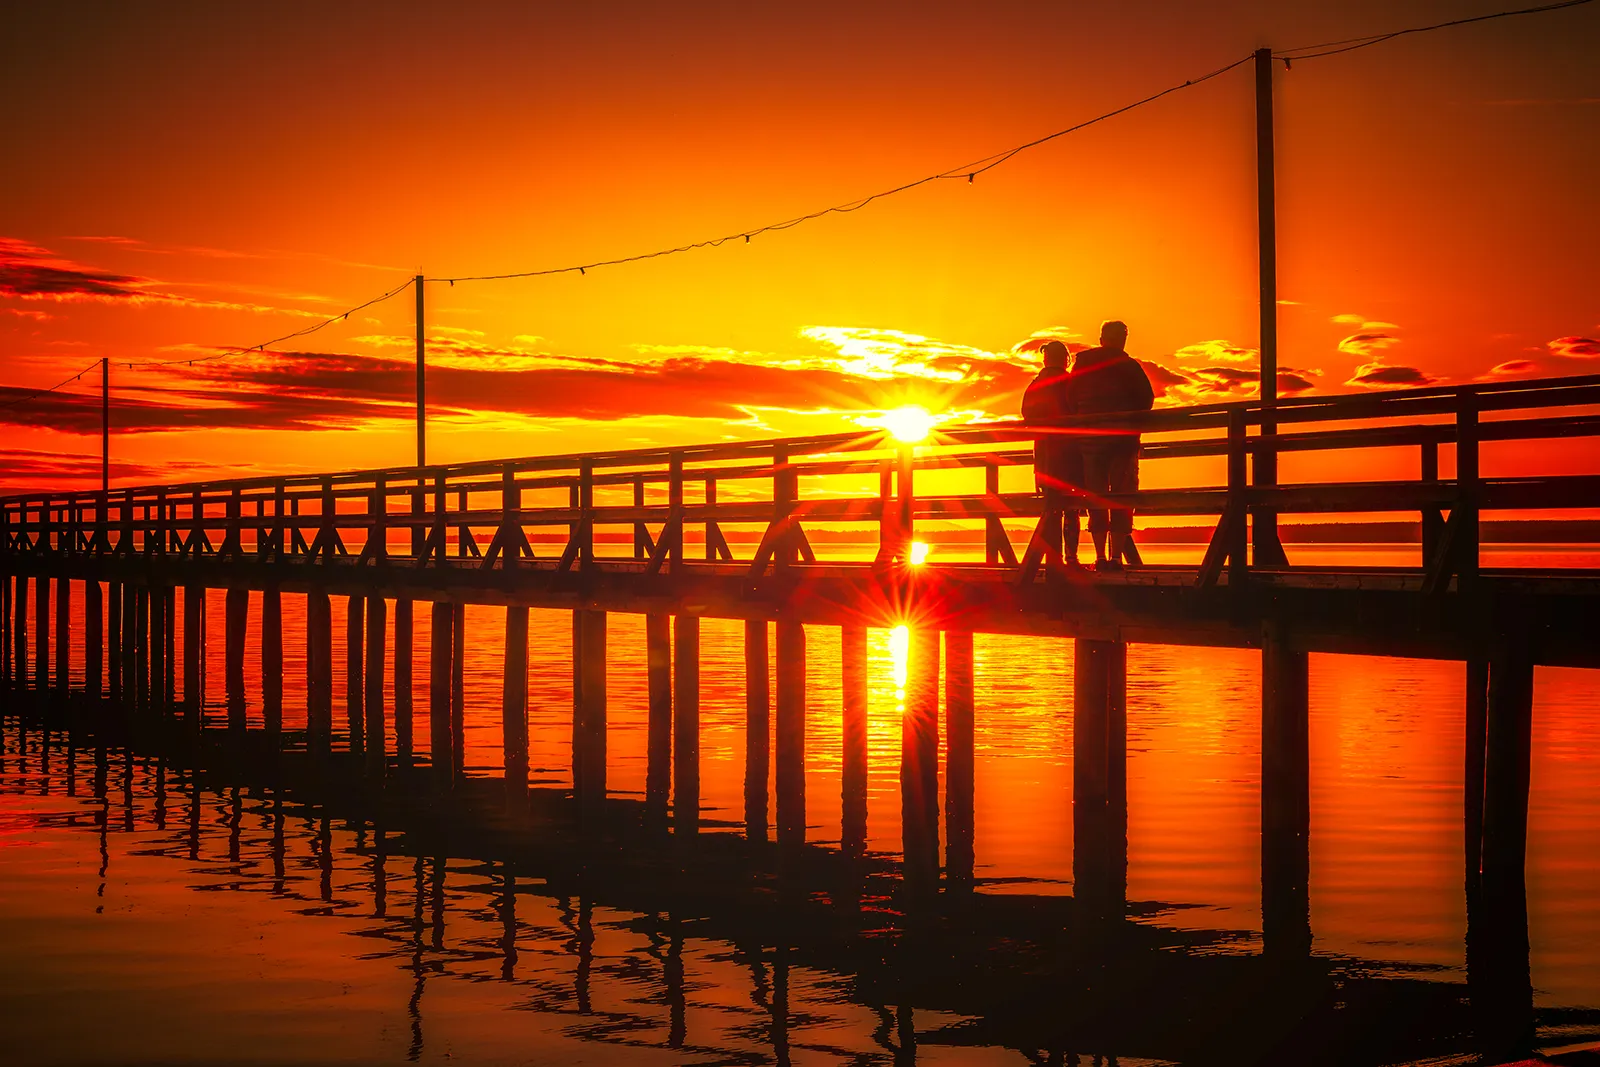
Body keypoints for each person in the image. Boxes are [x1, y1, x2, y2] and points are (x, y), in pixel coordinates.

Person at [1068, 320, 1154, 571]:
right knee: (1123, 495)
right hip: (1123, 441)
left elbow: (1070, 399)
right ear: (1123, 340)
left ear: (1101, 339)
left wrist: (1084, 422)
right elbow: (1146, 400)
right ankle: (1115, 557)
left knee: (1095, 495)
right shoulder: (1129, 367)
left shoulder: (1082, 366)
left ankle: (1099, 556)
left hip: (1090, 441)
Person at [1021, 339, 1083, 566]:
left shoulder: (1036, 385)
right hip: (1072, 453)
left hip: (1045, 455)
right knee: (1072, 508)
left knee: (1051, 507)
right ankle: (1071, 557)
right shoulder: (1071, 383)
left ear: (1045, 360)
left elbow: (1026, 414)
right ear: (1065, 359)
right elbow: (1080, 410)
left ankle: (1052, 560)